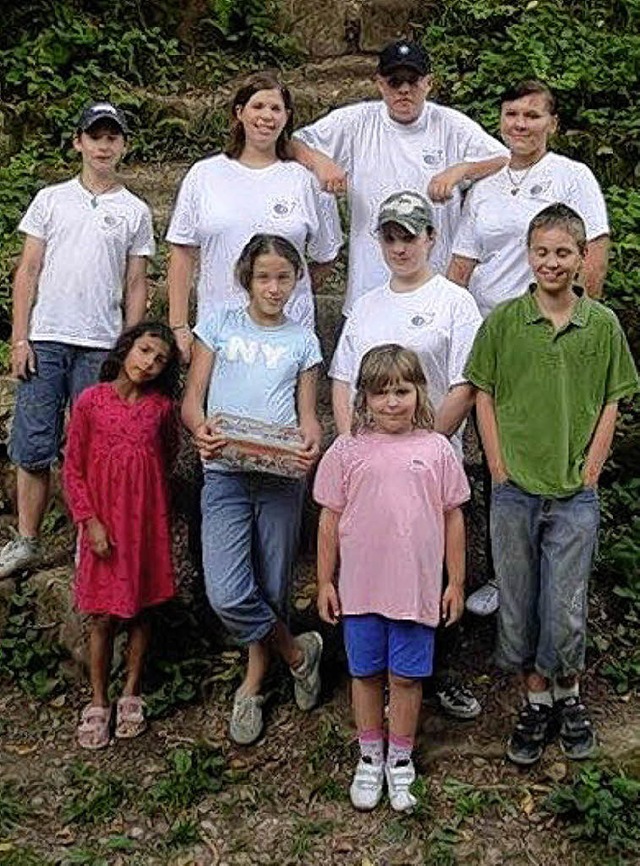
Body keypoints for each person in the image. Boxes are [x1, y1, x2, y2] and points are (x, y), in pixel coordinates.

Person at [464, 204, 638, 766]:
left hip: (574, 493)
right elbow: (482, 392)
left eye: (564, 252)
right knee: (518, 601)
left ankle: (569, 695)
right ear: (529, 255)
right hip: (514, 488)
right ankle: (534, 700)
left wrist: (591, 470)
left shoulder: (602, 325)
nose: (552, 262)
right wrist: (496, 465)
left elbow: (613, 398)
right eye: (542, 252)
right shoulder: (504, 323)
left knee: (564, 603)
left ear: (582, 257)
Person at [448, 80, 610, 617]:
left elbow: (592, 256)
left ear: (552, 123)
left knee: (551, 445)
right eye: (512, 114)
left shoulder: (572, 177)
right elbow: (463, 265)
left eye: (532, 115)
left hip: (550, 336)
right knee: (501, 456)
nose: (521, 124)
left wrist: (577, 326)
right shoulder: (488, 185)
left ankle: (554, 573)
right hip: (492, 339)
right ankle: (504, 575)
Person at [330, 191, 482, 721]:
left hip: (433, 463)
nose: (400, 246)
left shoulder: (454, 302)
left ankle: (437, 678)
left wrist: (422, 441)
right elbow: (343, 379)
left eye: (411, 235)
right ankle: (368, 675)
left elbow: (465, 383)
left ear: (431, 238)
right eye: (390, 236)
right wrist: (356, 447)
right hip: (368, 474)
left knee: (434, 572)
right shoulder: (366, 306)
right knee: (374, 567)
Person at [0, 102, 155, 579]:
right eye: (96, 135)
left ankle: (87, 541)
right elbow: (28, 270)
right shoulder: (50, 199)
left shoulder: (135, 210)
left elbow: (135, 284)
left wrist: (127, 348)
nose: (104, 145)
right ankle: (27, 539)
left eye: (113, 137)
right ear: (78, 142)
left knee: (93, 450)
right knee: (32, 443)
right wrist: (19, 337)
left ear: (123, 145)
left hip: (100, 344)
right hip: (45, 339)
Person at [182, 234, 324, 745]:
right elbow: (192, 400)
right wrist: (199, 429)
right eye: (264, 276)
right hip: (224, 472)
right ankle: (297, 652)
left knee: (273, 584)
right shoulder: (219, 323)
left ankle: (255, 681)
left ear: (295, 281)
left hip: (282, 477)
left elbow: (309, 418)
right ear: (247, 277)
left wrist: (311, 444)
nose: (273, 286)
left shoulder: (303, 339)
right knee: (228, 592)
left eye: (283, 277)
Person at [314, 344, 470, 811]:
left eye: (402, 390)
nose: (392, 402)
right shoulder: (346, 449)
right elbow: (328, 519)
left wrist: (456, 582)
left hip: (415, 590)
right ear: (363, 397)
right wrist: (325, 581)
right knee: (364, 673)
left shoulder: (436, 449)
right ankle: (369, 755)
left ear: (419, 392)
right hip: (360, 590)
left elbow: (453, 518)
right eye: (381, 393)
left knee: (405, 677)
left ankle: (400, 759)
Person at [291, 40, 507, 318]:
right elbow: (295, 143)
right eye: (395, 82)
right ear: (380, 84)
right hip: (369, 289)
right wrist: (320, 162)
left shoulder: (451, 124)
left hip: (435, 290)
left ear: (428, 83)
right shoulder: (356, 121)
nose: (404, 90)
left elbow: (503, 159)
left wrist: (461, 170)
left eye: (413, 81)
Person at [167, 71, 342, 362]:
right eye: (258, 106)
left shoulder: (306, 180)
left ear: (287, 117)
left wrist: (287, 289)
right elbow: (182, 251)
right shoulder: (205, 174)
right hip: (218, 332)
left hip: (287, 340)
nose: (266, 116)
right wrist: (179, 325)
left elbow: (326, 255)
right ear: (239, 112)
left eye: (276, 109)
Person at [63, 322, 181, 749]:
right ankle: (98, 699)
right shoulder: (91, 403)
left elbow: (166, 455)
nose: (148, 363)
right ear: (127, 347)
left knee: (142, 609)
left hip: (145, 524)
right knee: (103, 615)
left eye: (159, 359)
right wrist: (90, 521)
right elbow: (72, 468)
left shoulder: (162, 409)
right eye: (144, 350)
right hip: (103, 524)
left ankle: (132, 691)